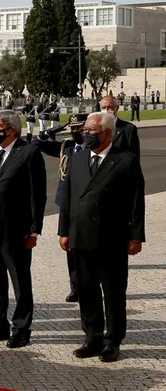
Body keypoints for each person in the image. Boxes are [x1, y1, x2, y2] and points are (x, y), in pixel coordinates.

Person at [57, 112, 145, 363]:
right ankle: (92, 336)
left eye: (91, 131)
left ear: (107, 133)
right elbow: (67, 200)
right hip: (81, 235)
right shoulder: (77, 158)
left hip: (112, 238)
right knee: (86, 289)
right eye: (85, 130)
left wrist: (136, 236)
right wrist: (64, 231)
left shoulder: (125, 160)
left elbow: (136, 202)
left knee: (113, 292)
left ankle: (112, 340)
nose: (86, 134)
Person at [0, 110, 47, 349]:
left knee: (19, 280)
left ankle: (22, 328)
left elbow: (38, 195)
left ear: (12, 129)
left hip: (16, 230)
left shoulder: (29, 153)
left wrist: (34, 230)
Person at [32, 114, 88, 303]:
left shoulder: (93, 147)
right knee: (70, 247)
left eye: (78, 128)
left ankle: (90, 284)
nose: (75, 132)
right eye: (72, 129)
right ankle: (76, 288)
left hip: (86, 203)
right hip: (67, 202)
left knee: (87, 248)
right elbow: (36, 145)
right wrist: (46, 133)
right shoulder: (67, 146)